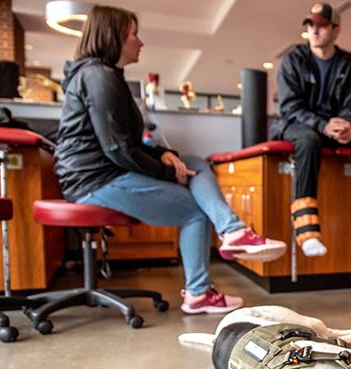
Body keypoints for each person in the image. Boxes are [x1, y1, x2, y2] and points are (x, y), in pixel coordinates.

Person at [54, 5, 286, 315]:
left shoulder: (102, 75)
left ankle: (232, 231)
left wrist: (167, 156)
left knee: (195, 161)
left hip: (103, 173)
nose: (140, 41)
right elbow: (118, 150)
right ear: (115, 37)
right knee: (195, 210)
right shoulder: (99, 77)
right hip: (94, 181)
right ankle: (201, 290)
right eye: (134, 34)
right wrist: (166, 172)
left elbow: (126, 143)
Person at [270, 3, 351, 260]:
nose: (313, 30)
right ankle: (306, 230)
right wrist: (323, 125)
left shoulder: (348, 65)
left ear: (336, 31)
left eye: (321, 25)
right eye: (310, 25)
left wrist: (348, 125)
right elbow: (290, 108)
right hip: (298, 125)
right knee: (308, 140)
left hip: (333, 126)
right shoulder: (293, 61)